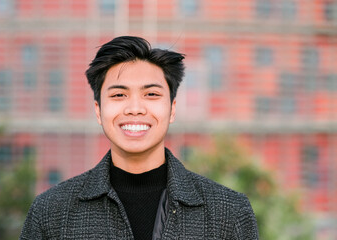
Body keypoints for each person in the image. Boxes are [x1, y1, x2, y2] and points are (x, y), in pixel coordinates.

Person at [20, 36, 259, 240]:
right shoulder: (51, 212)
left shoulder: (229, 212)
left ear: (172, 109)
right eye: (119, 94)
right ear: (98, 110)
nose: (135, 108)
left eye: (151, 94)